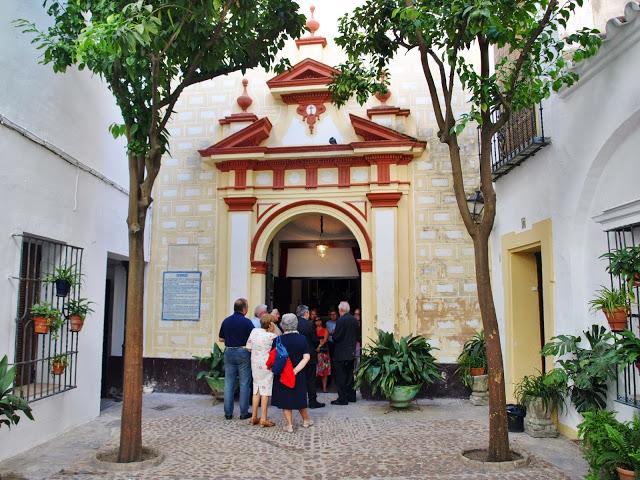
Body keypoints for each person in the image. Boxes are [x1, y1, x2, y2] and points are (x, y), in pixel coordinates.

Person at [270, 313, 314, 432]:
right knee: (300, 397)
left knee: (285, 399)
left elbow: (273, 358)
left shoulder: (277, 340)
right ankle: (306, 421)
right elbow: (306, 357)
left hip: (283, 374)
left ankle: (289, 425)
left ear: (283, 325)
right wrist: (295, 371)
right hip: (297, 374)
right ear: (296, 324)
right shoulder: (302, 339)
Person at [218, 298, 254, 419]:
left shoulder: (226, 321)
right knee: (244, 383)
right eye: (247, 307)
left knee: (229, 383)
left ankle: (228, 413)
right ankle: (244, 413)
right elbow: (253, 339)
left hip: (228, 352)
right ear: (244, 309)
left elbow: (221, 339)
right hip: (243, 352)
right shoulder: (247, 322)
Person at [246, 313, 278, 427]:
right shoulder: (272, 336)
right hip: (266, 366)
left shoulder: (254, 331)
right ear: (271, 324)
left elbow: (248, 348)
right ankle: (263, 418)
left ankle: (254, 417)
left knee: (256, 389)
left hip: (254, 364)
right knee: (265, 390)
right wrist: (273, 331)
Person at [296, 305, 325, 409]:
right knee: (311, 379)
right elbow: (315, 339)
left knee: (299, 378)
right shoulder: (309, 324)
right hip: (309, 355)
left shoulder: (294, 323)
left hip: (297, 355)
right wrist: (317, 343)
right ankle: (312, 401)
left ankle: (299, 400)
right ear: (305, 313)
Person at [331, 301, 359, 405]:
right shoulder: (354, 320)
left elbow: (336, 337)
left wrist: (333, 336)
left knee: (340, 376)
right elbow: (357, 335)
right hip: (351, 352)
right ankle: (351, 396)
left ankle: (342, 398)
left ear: (341, 310)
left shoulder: (341, 320)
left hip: (340, 353)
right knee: (350, 376)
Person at [314, 316, 331, 393]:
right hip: (315, 352)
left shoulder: (325, 330)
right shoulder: (313, 330)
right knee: (315, 370)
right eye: (316, 320)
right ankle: (314, 387)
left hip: (323, 352)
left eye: (319, 320)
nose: (318, 322)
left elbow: (325, 339)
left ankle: (324, 388)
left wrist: (319, 347)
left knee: (325, 371)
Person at [354, 307, 362, 372]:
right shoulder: (352, 324)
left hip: (360, 347)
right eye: (355, 314)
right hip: (354, 348)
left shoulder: (363, 324)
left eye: (358, 314)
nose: (356, 316)